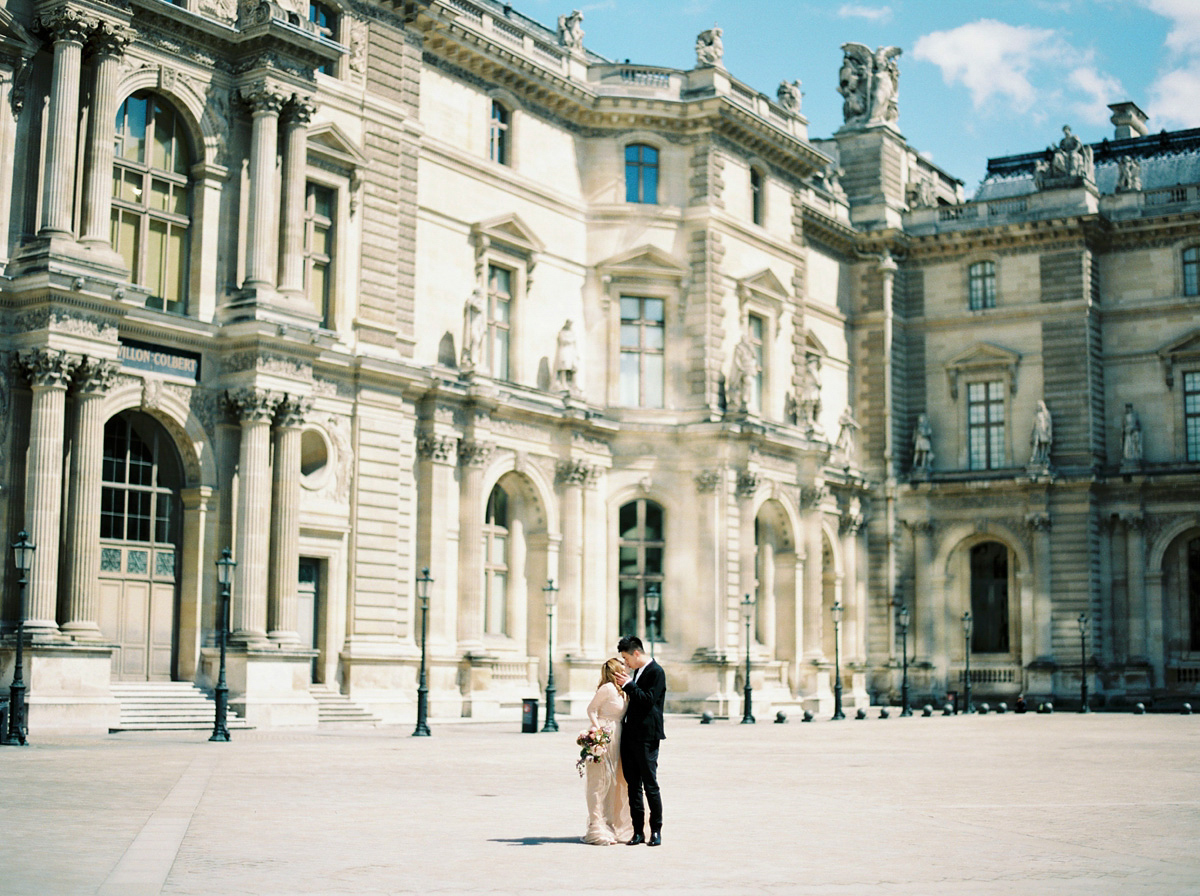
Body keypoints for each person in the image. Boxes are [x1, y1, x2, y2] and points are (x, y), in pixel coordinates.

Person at [614, 635, 666, 847]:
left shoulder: (656, 672)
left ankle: (656, 831)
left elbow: (647, 700)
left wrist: (627, 685)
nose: (625, 662)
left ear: (636, 653)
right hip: (630, 736)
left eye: (626, 657)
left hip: (647, 736)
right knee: (633, 785)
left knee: (650, 785)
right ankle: (637, 832)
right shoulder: (637, 672)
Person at [581, 658, 635, 845]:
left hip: (618, 735)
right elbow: (591, 709)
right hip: (605, 733)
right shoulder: (607, 689)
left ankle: (610, 824)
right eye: (622, 669)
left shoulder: (622, 690)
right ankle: (596, 826)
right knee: (599, 781)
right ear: (614, 671)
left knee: (614, 781)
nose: (625, 671)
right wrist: (597, 730)